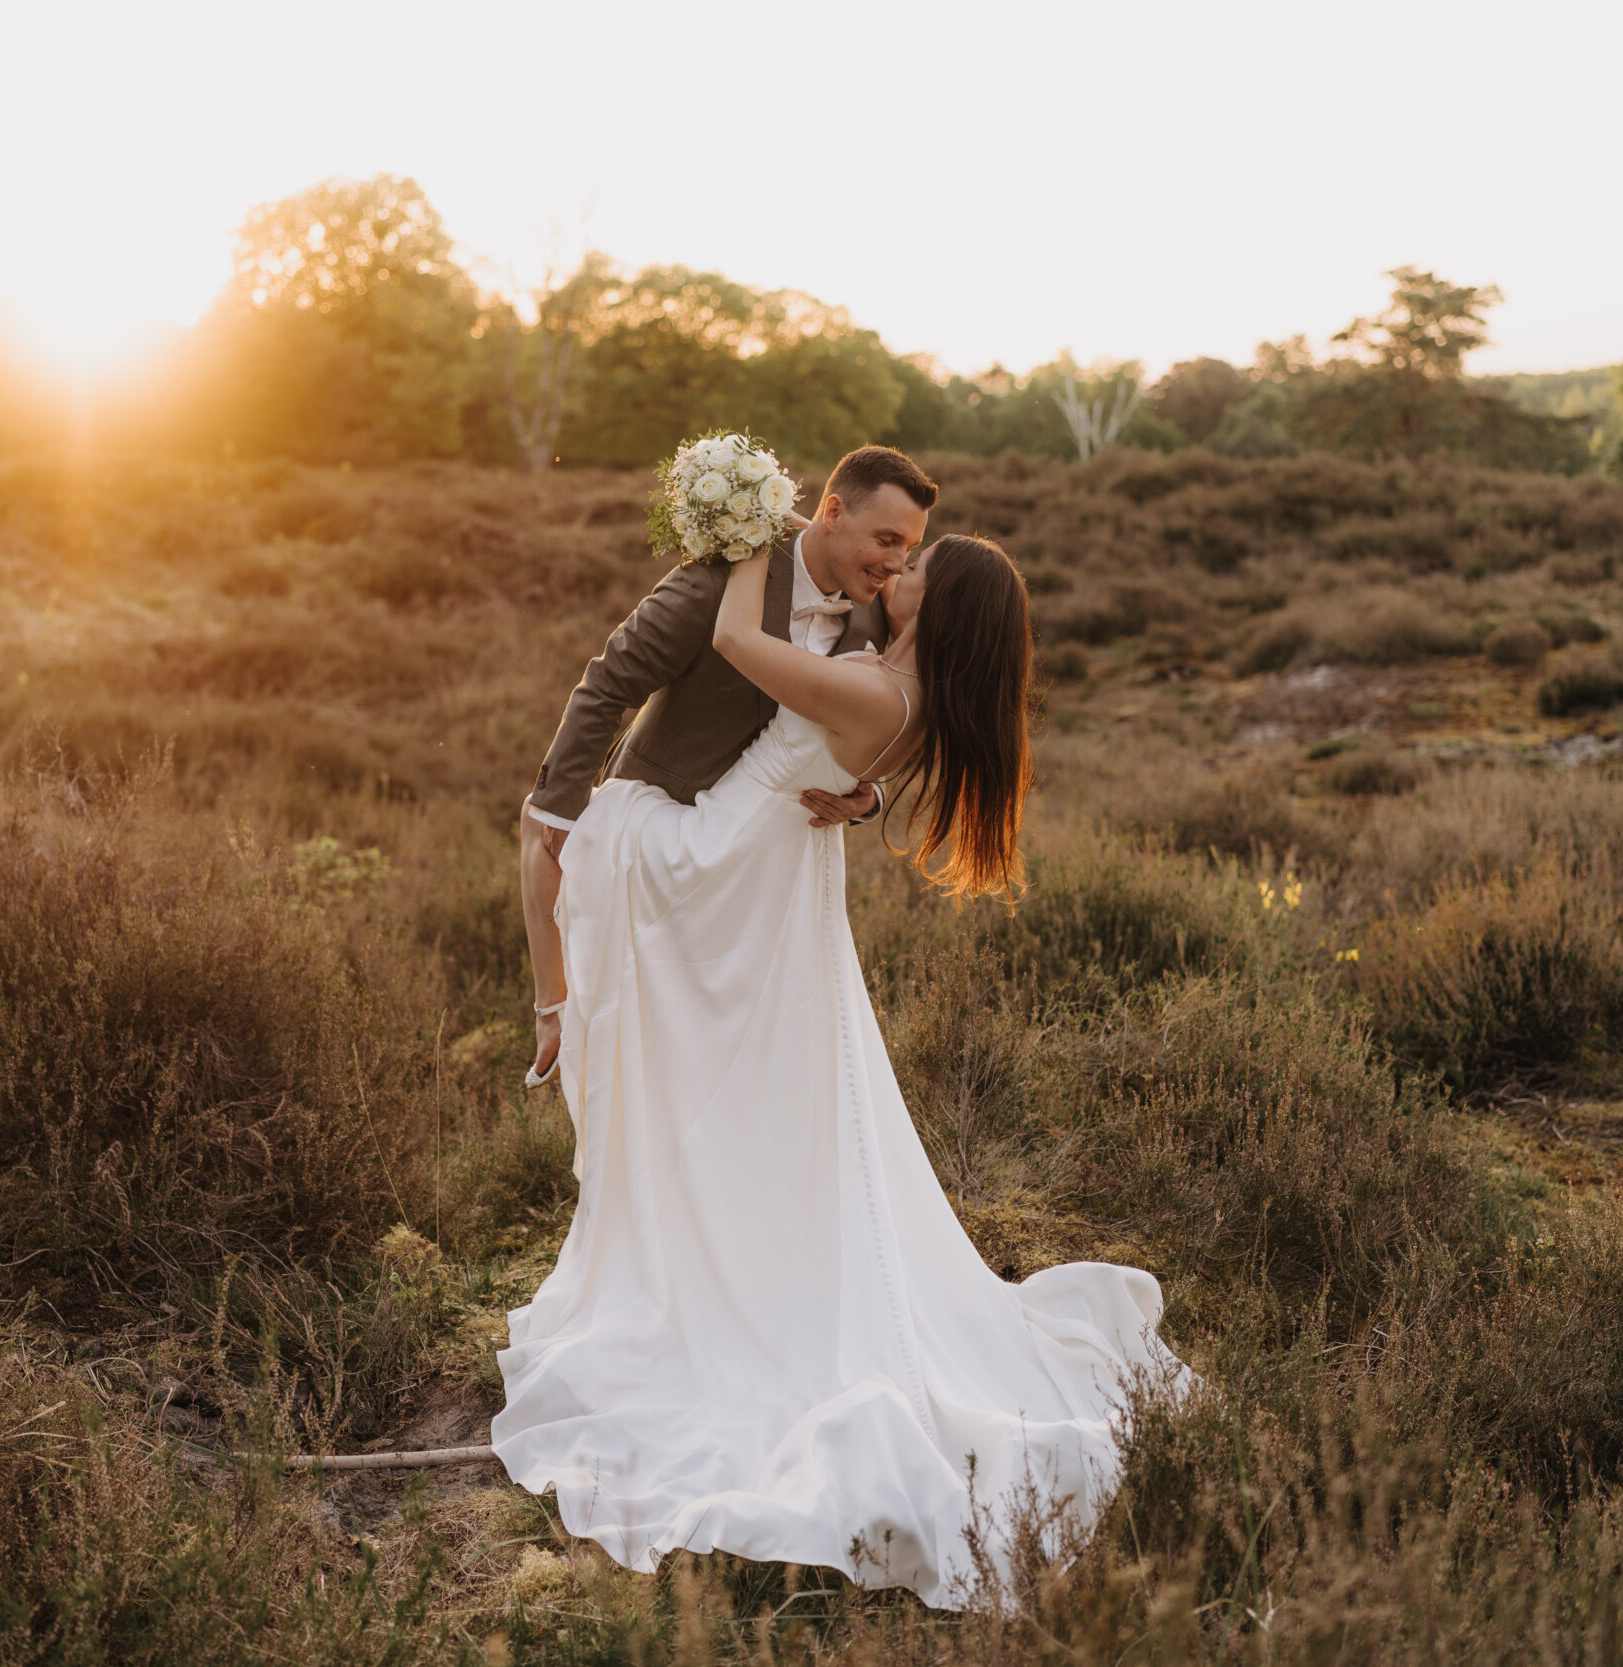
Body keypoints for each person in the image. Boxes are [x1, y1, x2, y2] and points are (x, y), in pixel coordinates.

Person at [493, 519, 1190, 1610]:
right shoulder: (899, 687)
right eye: (897, 556)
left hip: (716, 860)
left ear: (938, 605)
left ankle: (682, 1207)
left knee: (617, 856)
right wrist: (862, 793)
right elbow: (839, 731)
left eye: (914, 569)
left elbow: (733, 637)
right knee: (766, 1081)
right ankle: (711, 1211)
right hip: (774, 867)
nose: (894, 575)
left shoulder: (876, 692)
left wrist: (750, 530)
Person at [518, 446, 936, 1088]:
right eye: (885, 538)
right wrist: (563, 812)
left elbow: (891, 722)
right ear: (831, 512)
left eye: (909, 548)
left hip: (765, 870)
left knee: (735, 1060)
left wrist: (870, 798)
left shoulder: (882, 611)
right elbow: (607, 684)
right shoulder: (717, 584)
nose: (895, 562)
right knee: (633, 1048)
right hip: (666, 834)